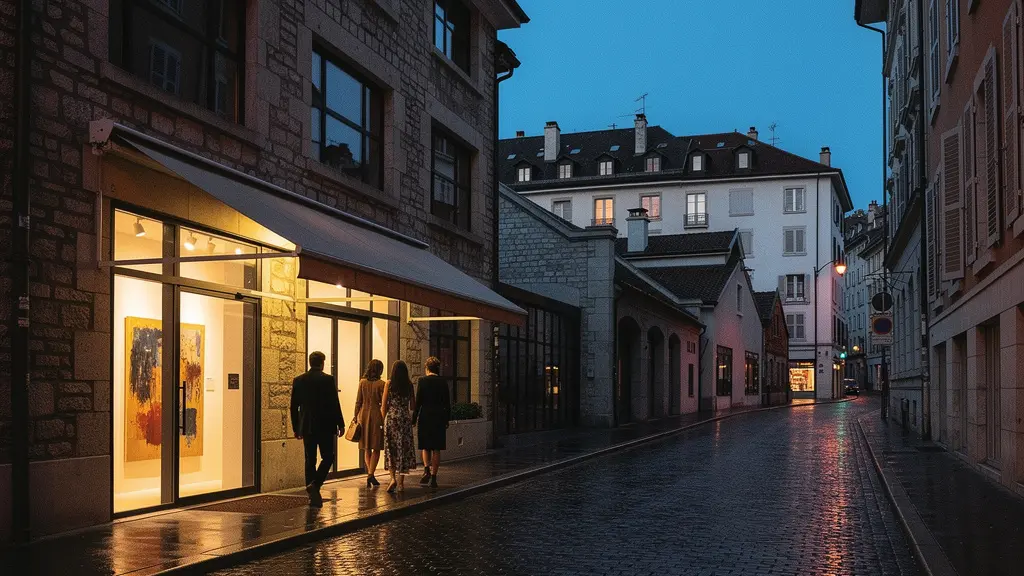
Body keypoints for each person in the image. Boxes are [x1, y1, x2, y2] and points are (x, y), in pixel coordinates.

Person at [290, 351, 345, 507]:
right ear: (322, 363)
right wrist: (340, 424)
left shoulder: (299, 380)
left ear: (310, 362)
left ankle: (311, 493)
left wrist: (296, 427)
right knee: (328, 457)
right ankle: (315, 485)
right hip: (326, 425)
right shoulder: (328, 380)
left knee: (310, 459)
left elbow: (293, 407)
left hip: (307, 426)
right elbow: (335, 403)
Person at [413, 356, 450, 488]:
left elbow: (418, 402)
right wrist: (447, 419)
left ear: (427, 368)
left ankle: (426, 469)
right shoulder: (443, 382)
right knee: (436, 448)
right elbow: (447, 403)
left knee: (425, 445)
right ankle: (434, 477)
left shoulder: (422, 381)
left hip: (426, 416)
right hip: (439, 416)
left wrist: (414, 419)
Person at [382, 360, 417, 494]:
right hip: (404, 418)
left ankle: (392, 479)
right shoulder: (409, 385)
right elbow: (412, 406)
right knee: (403, 448)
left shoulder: (389, 384)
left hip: (391, 418)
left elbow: (384, 405)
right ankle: (401, 482)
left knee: (391, 449)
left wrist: (384, 420)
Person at [353, 359, 386, 487]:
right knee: (376, 446)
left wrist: (355, 416)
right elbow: (384, 403)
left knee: (366, 446)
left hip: (364, 415)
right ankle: (371, 474)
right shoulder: (382, 384)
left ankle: (369, 474)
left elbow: (358, 402)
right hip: (377, 415)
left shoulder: (362, 382)